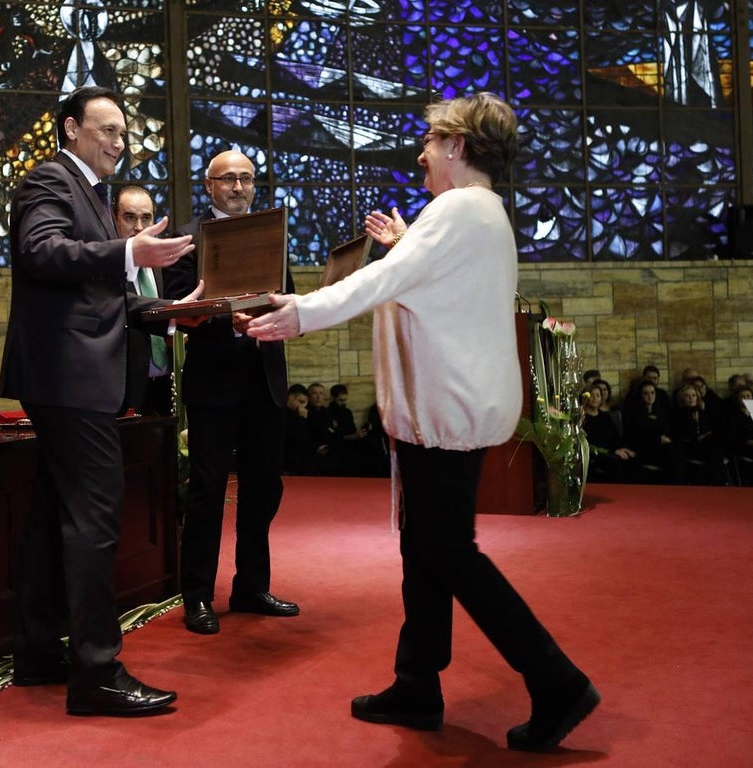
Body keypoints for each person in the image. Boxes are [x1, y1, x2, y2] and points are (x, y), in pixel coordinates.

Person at [243, 92, 599, 752]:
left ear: (458, 148)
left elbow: (376, 285)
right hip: (452, 405)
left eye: (432, 142)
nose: (422, 153)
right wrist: (408, 243)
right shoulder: (480, 212)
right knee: (424, 545)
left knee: (446, 550)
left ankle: (556, 681)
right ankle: (418, 683)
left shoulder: (459, 209)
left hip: (447, 410)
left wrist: (297, 313)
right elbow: (432, 282)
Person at [0, 86, 204, 717]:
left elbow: (94, 298)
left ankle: (36, 652)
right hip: (69, 380)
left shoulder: (91, 193)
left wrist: (168, 314)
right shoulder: (49, 179)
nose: (120, 142)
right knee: (95, 520)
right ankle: (96, 673)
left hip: (73, 379)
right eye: (107, 130)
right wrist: (128, 252)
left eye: (123, 133)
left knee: (53, 517)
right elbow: (41, 253)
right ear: (70, 129)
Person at [162, 148, 300, 636]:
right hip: (214, 381)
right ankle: (197, 596)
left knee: (264, 489)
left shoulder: (271, 235)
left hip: (265, 381)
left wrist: (281, 318)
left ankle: (251, 587)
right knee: (206, 492)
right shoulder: (188, 241)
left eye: (246, 179)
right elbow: (176, 309)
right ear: (209, 185)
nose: (238, 188)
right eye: (228, 180)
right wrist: (228, 319)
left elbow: (288, 297)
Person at [114, 184, 173, 414]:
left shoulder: (163, 264)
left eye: (146, 218)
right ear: (114, 218)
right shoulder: (107, 267)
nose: (139, 228)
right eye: (130, 217)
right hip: (125, 391)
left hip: (165, 386)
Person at [282, 383, 312, 475]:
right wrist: (302, 420)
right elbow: (295, 437)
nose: (302, 406)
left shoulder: (299, 413)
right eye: (301, 402)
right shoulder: (282, 414)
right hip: (286, 458)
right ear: (291, 397)